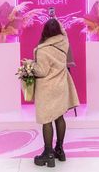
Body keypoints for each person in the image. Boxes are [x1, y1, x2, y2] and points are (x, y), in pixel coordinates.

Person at [30, 17, 79, 167]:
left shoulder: (42, 50)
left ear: (44, 32)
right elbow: (63, 31)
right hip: (61, 85)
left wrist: (30, 66)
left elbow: (42, 71)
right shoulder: (64, 42)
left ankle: (48, 153)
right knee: (59, 117)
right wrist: (56, 20)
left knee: (46, 120)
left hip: (47, 88)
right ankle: (60, 150)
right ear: (58, 30)